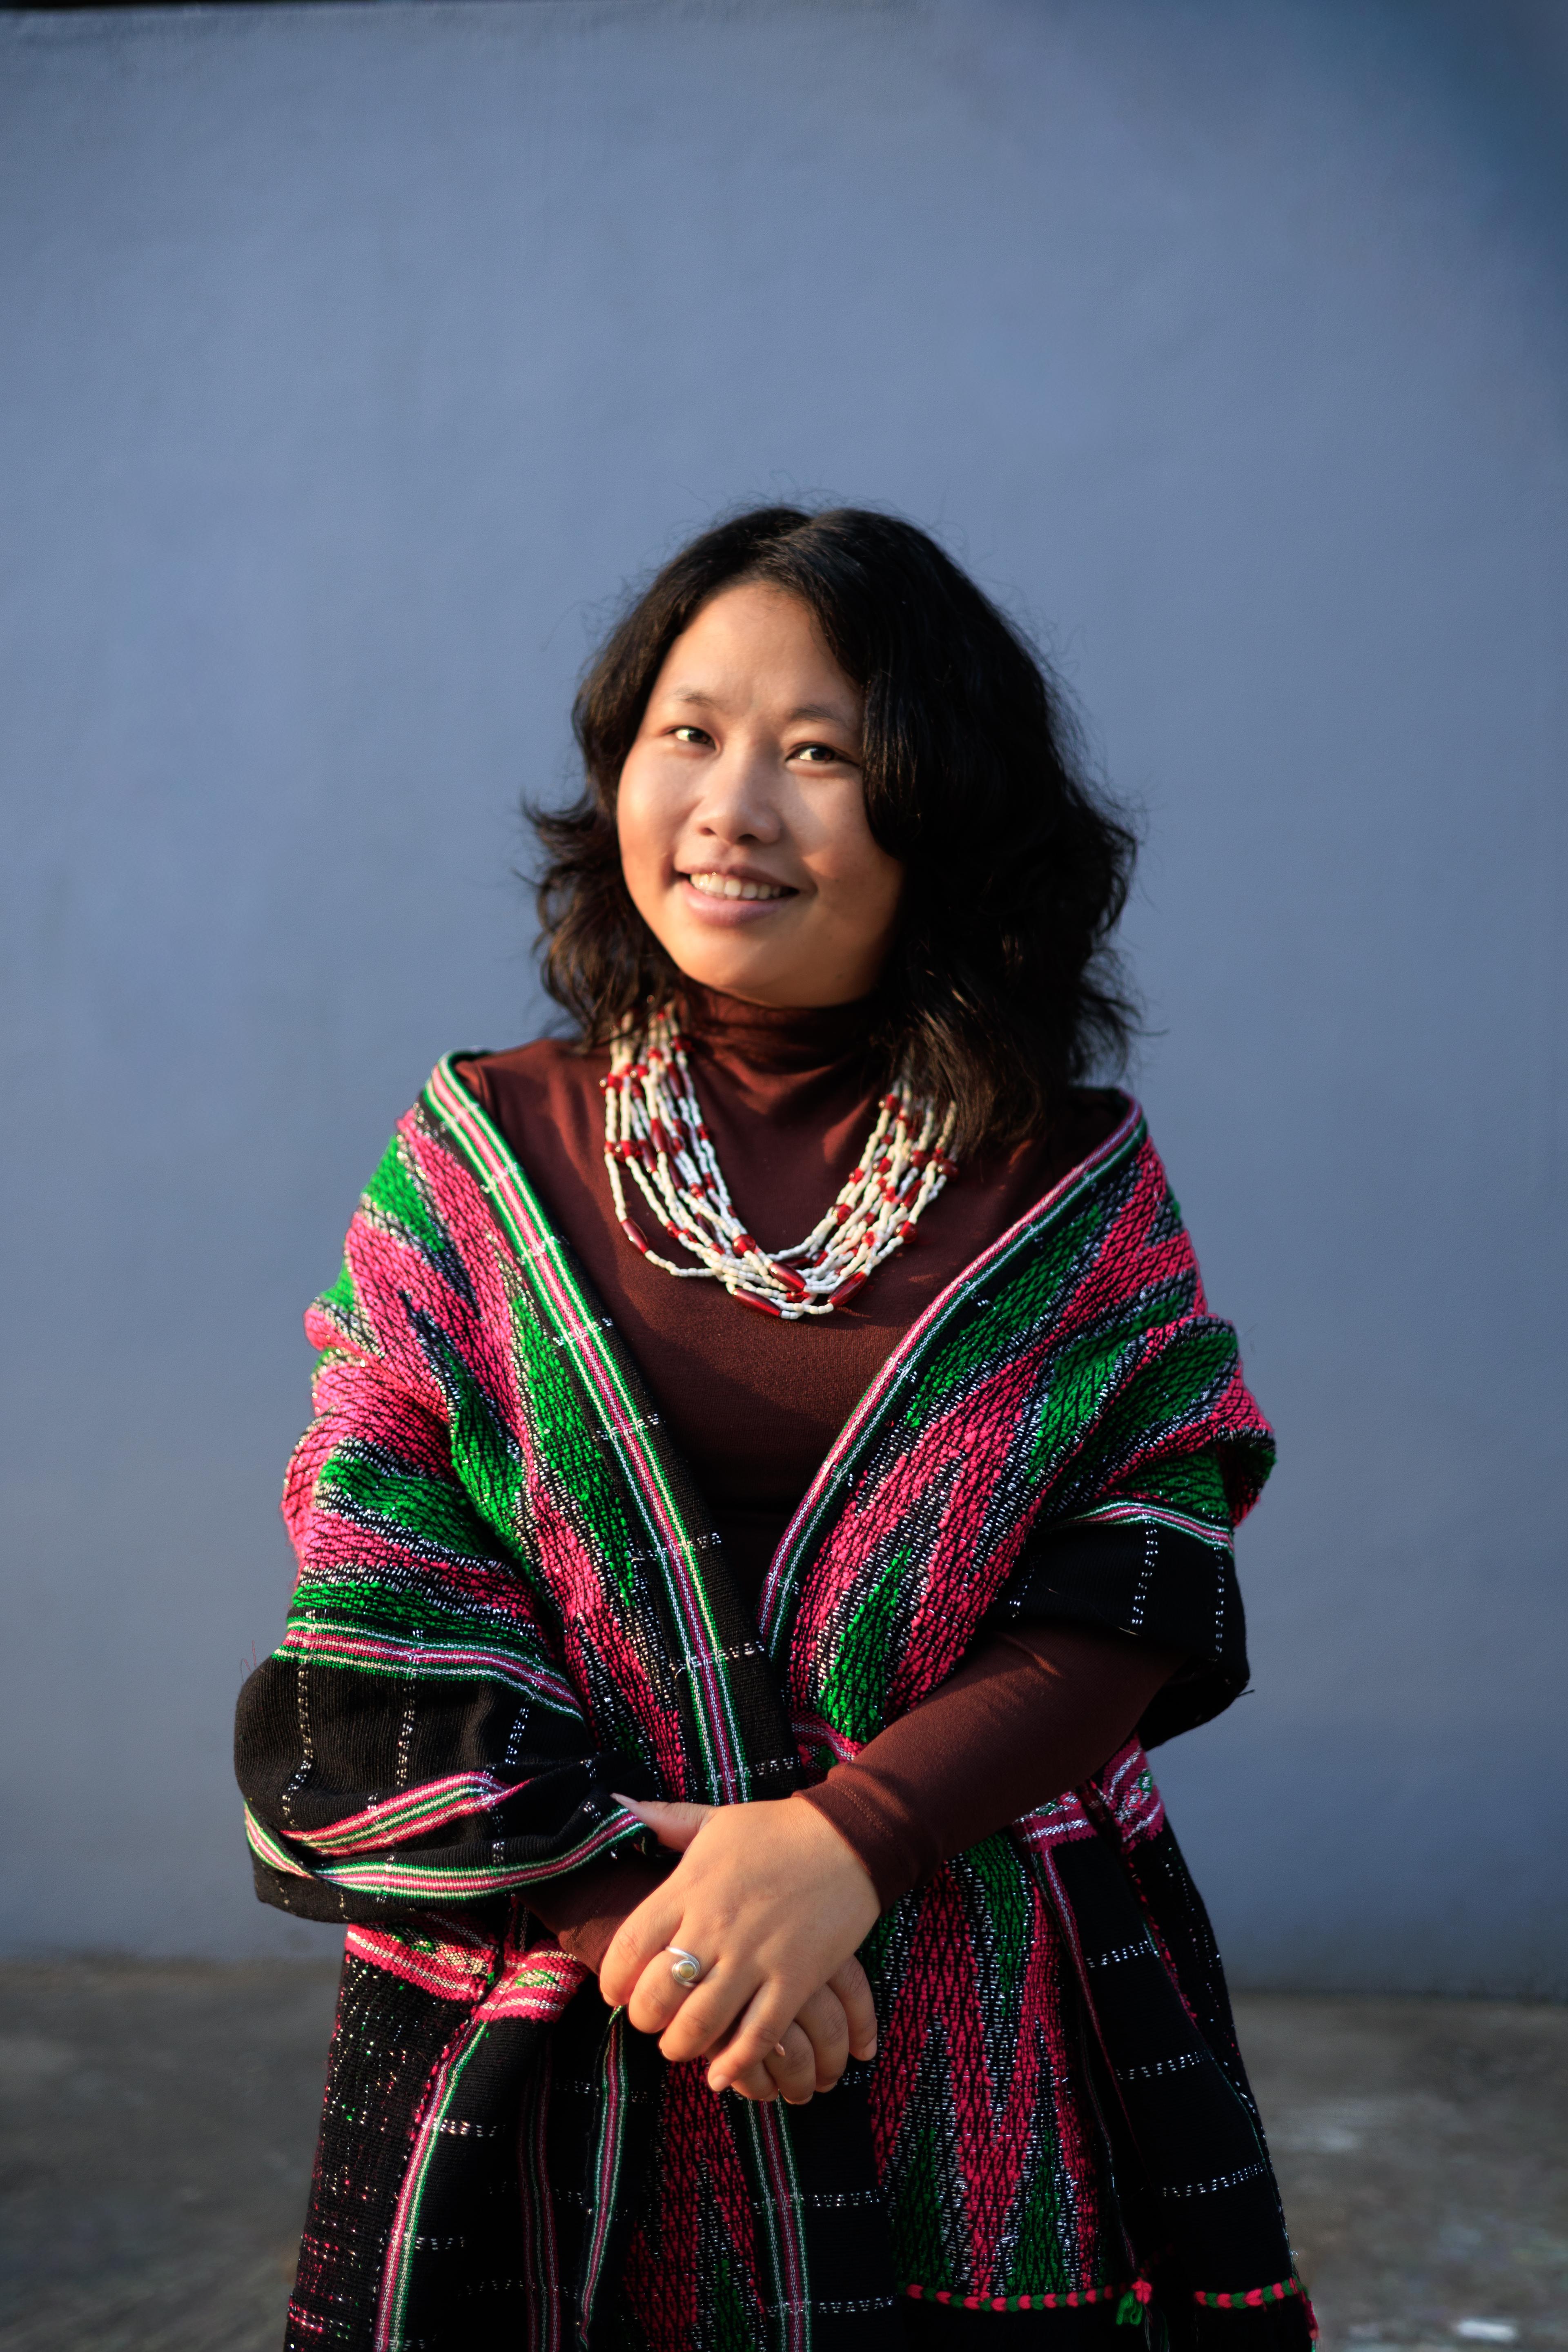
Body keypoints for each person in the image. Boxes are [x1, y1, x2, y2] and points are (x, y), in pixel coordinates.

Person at [236, 508, 1312, 2352]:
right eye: (689, 731)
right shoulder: (478, 1157)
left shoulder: (1069, 1185)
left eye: (818, 751)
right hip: (553, 2015)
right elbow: (382, 1563)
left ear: (939, 807)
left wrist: (849, 1846)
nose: (734, 804)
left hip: (977, 2026)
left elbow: (1145, 1573)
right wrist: (643, 1917)